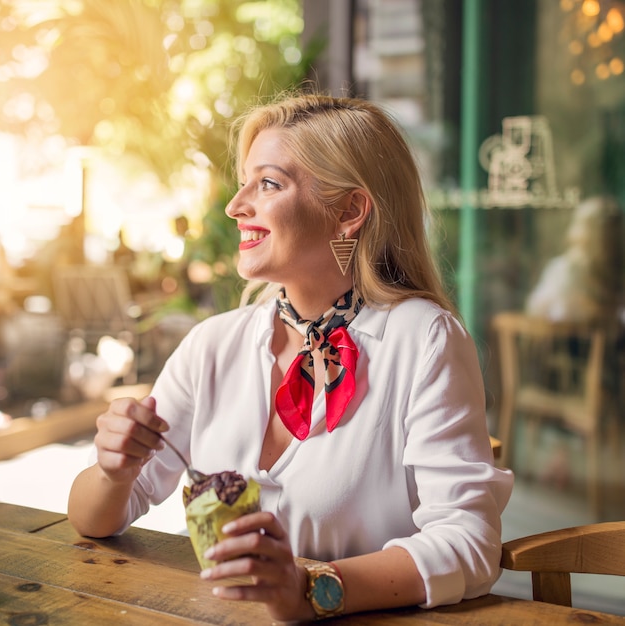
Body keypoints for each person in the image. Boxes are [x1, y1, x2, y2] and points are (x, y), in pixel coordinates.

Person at [68, 92, 514, 621]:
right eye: (243, 183)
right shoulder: (212, 345)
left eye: (269, 183)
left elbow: (469, 542)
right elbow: (93, 520)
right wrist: (115, 472)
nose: (236, 207)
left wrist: (311, 589)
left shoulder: (425, 340)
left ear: (348, 211)